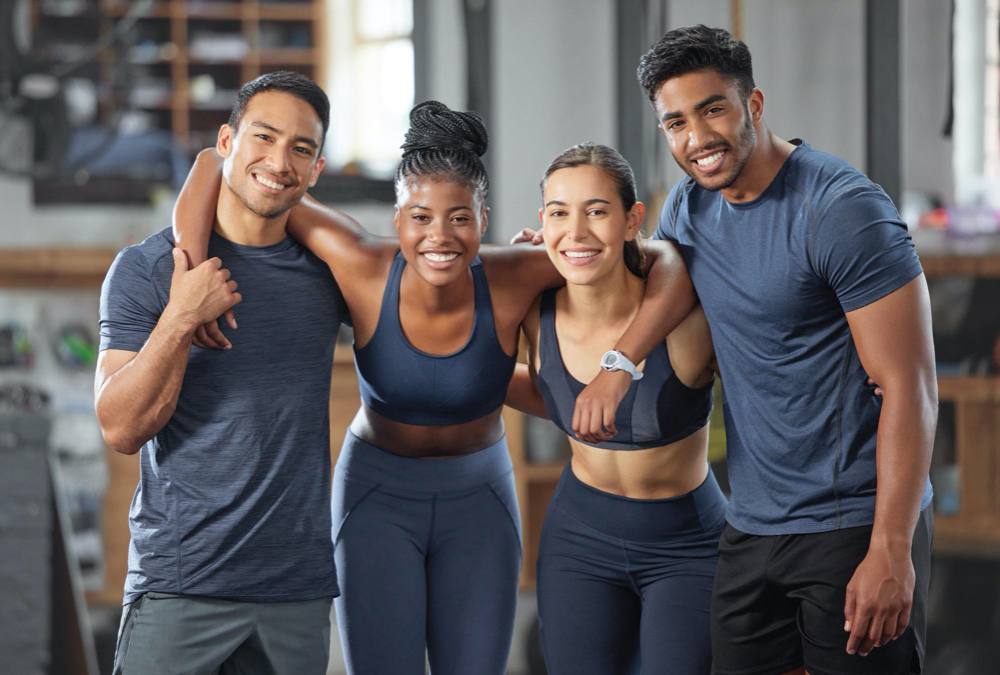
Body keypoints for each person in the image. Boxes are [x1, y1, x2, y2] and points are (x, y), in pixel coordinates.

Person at [173, 101, 696, 674]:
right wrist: (190, 275)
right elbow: (212, 165)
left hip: (480, 501)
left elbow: (668, 262)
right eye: (419, 218)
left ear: (484, 219)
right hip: (376, 497)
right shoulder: (359, 261)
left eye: (459, 219)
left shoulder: (521, 269)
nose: (439, 237)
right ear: (396, 219)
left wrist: (618, 365)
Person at [639, 25, 936, 675]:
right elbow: (632, 299)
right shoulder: (687, 212)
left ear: (753, 103)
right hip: (750, 524)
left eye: (713, 108)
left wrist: (891, 543)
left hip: (853, 521)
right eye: (675, 122)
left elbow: (909, 385)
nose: (696, 138)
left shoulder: (841, 208)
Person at [95, 71, 349, 674]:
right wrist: (181, 316)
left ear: (315, 171)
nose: (279, 160)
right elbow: (120, 428)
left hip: (296, 589)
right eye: (264, 137)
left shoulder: (329, 273)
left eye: (301, 148)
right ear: (228, 142)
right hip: (181, 583)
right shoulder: (149, 269)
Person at [504, 142, 725, 674]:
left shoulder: (686, 321)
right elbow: (549, 393)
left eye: (596, 212)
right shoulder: (535, 310)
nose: (576, 231)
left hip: (686, 545)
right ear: (541, 221)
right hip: (579, 537)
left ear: (632, 220)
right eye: (559, 213)